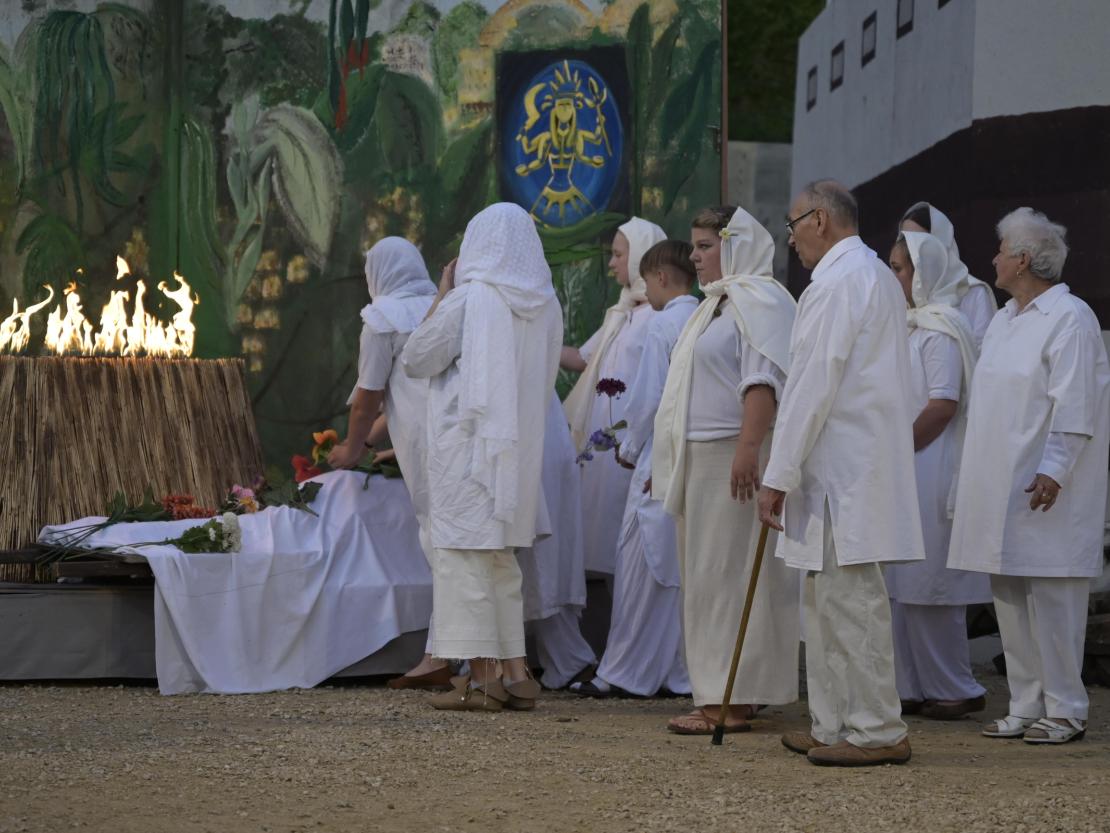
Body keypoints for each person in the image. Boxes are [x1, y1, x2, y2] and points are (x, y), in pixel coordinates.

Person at [758, 180, 924, 767]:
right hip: (844, 468)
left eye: (793, 223)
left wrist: (778, 472)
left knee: (851, 601)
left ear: (820, 220)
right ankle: (834, 723)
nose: (791, 236)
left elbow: (810, 384)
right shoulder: (871, 277)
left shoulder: (838, 283)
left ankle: (878, 729)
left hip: (844, 471)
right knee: (826, 602)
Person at [948, 208, 1110, 744]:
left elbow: (1076, 403)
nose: (991, 258)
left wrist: (1055, 468)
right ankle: (1025, 702)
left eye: (999, 249)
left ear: (1022, 259)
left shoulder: (1071, 317)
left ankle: (1066, 707)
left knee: (1054, 596)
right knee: (1010, 594)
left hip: (1045, 482)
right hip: (998, 482)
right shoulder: (1003, 318)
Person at [400, 202, 563, 711]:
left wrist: (443, 292)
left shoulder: (469, 300)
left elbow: (416, 357)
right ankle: (516, 675)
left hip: (466, 453)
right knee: (499, 564)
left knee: (463, 561)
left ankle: (482, 680)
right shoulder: (545, 305)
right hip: (514, 457)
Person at [652, 206, 799, 734]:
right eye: (693, 245)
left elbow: (762, 380)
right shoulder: (715, 305)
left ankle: (728, 698)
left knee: (726, 575)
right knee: (708, 575)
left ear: (736, 246)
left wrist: (748, 447)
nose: (694, 255)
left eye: (706, 245)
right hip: (702, 456)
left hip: (730, 455)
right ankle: (731, 688)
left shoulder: (758, 301)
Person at [571, 239, 699, 698]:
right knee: (679, 569)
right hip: (693, 456)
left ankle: (624, 670)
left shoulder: (664, 323)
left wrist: (629, 445)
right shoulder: (705, 317)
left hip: (657, 456)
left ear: (661, 278)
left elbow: (646, 399)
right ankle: (676, 670)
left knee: (640, 566)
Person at [325, 237, 448, 690]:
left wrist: (352, 450)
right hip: (456, 434)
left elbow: (368, 398)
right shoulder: (443, 305)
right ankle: (456, 652)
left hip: (423, 443)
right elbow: (403, 391)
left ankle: (443, 654)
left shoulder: (381, 319)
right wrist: (379, 439)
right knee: (456, 544)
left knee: (442, 545)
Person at [886, 231, 991, 719]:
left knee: (930, 585)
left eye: (900, 269)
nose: (894, 277)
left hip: (929, 464)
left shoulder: (941, 328)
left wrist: (896, 448)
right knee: (903, 584)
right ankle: (909, 685)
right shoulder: (910, 325)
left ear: (924, 274)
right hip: (906, 466)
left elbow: (943, 404)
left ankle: (955, 685)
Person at [562, 218, 667, 581]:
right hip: (603, 450)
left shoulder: (660, 317)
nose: (612, 263)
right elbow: (582, 359)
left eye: (619, 255)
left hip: (631, 449)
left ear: (641, 258)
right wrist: (534, 340)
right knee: (598, 536)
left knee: (624, 542)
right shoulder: (623, 312)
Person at [517, 391, 597, 690]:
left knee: (537, 563)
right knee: (542, 564)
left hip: (528, 441)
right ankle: (567, 659)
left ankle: (568, 660)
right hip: (540, 435)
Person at [900, 201, 998, 345]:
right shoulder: (901, 291)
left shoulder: (973, 291)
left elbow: (984, 348)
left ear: (939, 242)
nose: (910, 247)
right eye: (904, 240)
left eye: (919, 240)